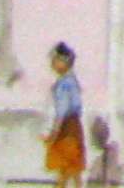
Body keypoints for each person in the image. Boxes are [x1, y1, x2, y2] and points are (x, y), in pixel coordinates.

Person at [43, 42, 85, 187]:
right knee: (73, 168)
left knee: (66, 167)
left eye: (54, 60)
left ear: (64, 61)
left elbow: (61, 111)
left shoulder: (64, 84)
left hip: (66, 129)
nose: (52, 64)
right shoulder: (72, 81)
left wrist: (54, 133)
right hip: (74, 127)